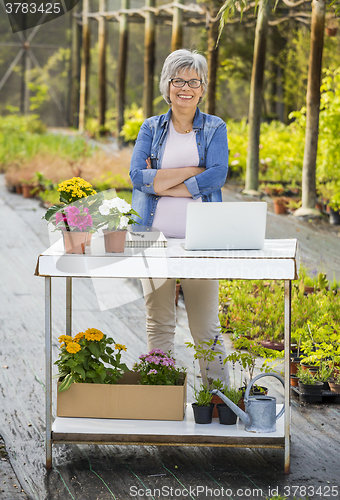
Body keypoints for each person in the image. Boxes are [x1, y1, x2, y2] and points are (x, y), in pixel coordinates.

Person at [129, 49, 229, 385]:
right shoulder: (150, 127)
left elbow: (217, 175)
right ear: (167, 85)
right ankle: (161, 397)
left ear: (202, 88)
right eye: (178, 80)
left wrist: (162, 181)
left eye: (193, 81)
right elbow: (136, 177)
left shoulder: (215, 127)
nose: (185, 87)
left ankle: (219, 400)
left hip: (201, 241)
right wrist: (192, 173)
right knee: (158, 321)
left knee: (206, 327)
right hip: (149, 238)